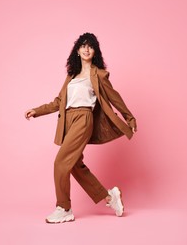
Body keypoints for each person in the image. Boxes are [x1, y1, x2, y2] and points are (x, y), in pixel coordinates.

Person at [24, 32, 137, 224]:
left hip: (84, 118)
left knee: (60, 162)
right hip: (68, 120)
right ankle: (110, 197)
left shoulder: (98, 75)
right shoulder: (71, 76)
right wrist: (37, 110)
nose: (86, 49)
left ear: (95, 52)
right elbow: (59, 102)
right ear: (77, 50)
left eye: (90, 46)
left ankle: (64, 208)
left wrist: (130, 118)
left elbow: (114, 97)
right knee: (75, 165)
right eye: (83, 46)